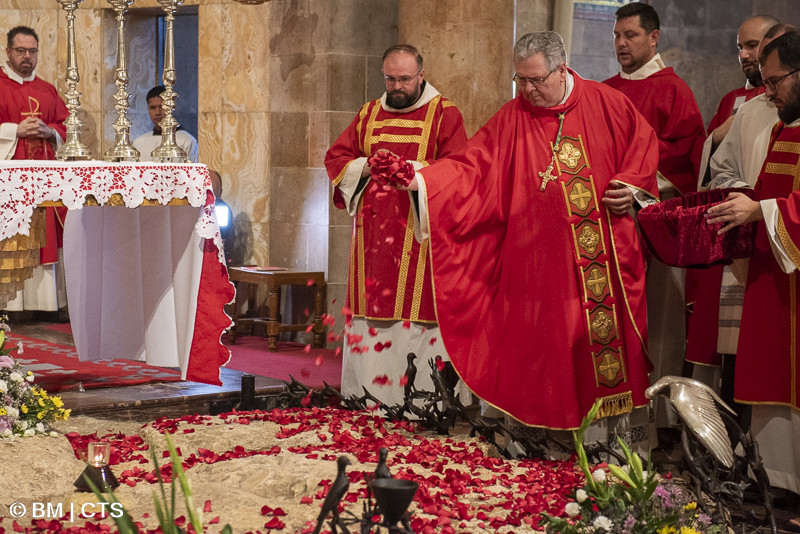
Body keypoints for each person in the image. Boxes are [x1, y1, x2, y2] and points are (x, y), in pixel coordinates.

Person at [399, 32, 658, 455]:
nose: (529, 90)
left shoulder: (608, 103)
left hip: (600, 261)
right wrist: (420, 180)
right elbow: (471, 166)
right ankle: (539, 441)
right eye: (521, 80)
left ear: (562, 69)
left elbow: (643, 149)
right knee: (539, 350)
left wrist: (631, 187)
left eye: (537, 79)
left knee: (596, 352)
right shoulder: (513, 115)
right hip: (535, 265)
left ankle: (610, 448)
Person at [324, 44, 468, 406]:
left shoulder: (444, 114)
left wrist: (413, 173)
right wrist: (366, 166)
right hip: (373, 237)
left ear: (421, 75)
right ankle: (369, 396)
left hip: (420, 234)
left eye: (405, 79)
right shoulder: (368, 113)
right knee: (373, 306)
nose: (397, 87)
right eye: (390, 79)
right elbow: (338, 157)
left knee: (417, 308)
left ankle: (421, 403)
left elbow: (460, 168)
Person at [706, 31, 800, 523]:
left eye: (776, 81)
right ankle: (780, 484)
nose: (768, 92)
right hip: (775, 280)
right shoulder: (786, 128)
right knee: (771, 378)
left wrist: (759, 210)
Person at [603, 2, 706, 434]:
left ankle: (658, 420)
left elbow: (685, 158)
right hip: (608, 219)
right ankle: (608, 408)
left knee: (659, 315)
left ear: (654, 37)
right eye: (617, 35)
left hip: (655, 219)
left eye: (630, 35)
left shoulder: (674, 91)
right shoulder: (604, 90)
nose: (621, 43)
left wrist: (635, 188)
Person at [687, 21, 789, 413]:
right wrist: (743, 193)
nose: (754, 58)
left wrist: (763, 207)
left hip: (783, 245)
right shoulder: (749, 111)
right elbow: (720, 169)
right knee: (741, 358)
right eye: (745, 48)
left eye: (761, 49)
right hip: (750, 248)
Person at [0, 26, 68, 314]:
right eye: (20, 50)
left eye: (32, 51)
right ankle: (10, 305)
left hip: (44, 181)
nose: (27, 56)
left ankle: (46, 304)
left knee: (46, 236)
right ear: (8, 52)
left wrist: (49, 131)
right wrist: (14, 130)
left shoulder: (47, 90)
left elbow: (66, 126)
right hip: (9, 182)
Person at [132, 85, 199, 163]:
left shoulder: (187, 141)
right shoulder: (139, 143)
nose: (157, 112)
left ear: (171, 107)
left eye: (162, 107)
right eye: (153, 108)